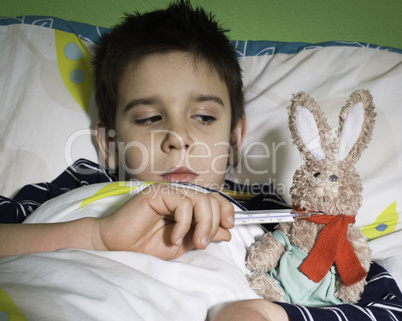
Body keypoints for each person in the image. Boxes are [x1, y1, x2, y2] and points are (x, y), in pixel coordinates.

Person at [0, 1, 401, 320]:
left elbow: (383, 306)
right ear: (108, 142)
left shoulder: (273, 215)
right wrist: (94, 236)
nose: (179, 139)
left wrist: (270, 314)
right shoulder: (75, 185)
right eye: (149, 118)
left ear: (235, 138)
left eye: (204, 117)